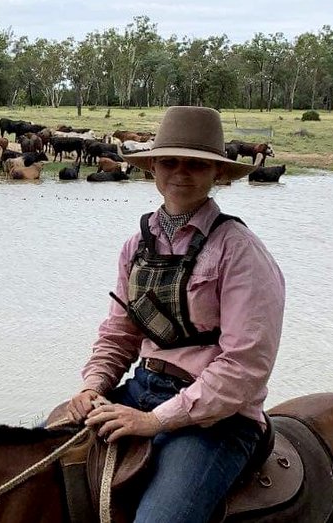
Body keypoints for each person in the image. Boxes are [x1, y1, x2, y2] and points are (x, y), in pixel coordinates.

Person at [66, 106, 285, 523]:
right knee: (28, 466)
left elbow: (246, 365)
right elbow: (119, 332)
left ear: (216, 174)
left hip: (218, 420)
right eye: (170, 161)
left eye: (196, 164)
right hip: (139, 389)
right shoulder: (137, 245)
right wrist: (92, 386)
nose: (181, 173)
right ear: (152, 168)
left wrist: (154, 420)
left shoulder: (240, 251)